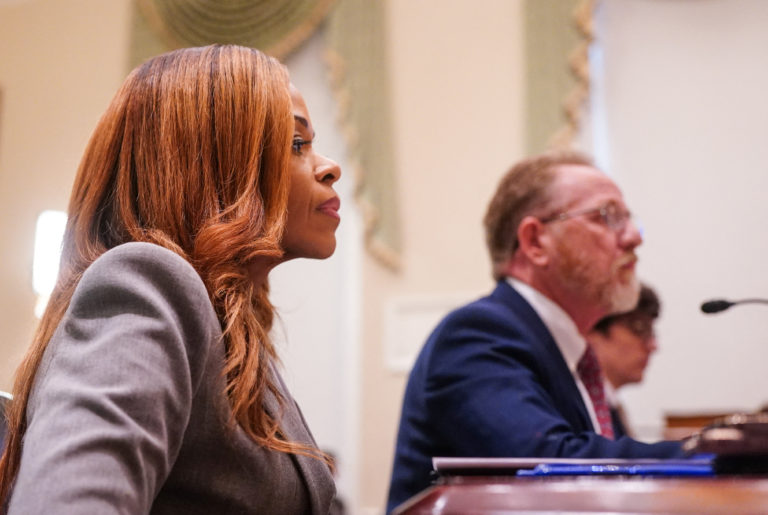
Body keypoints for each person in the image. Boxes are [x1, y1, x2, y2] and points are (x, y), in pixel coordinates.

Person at [0, 44, 342, 514]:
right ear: (217, 168)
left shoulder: (237, 336)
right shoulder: (146, 282)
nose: (330, 167)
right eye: (296, 144)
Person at [386, 151, 684, 512]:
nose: (634, 237)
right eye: (607, 217)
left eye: (630, 219)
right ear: (535, 242)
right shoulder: (477, 334)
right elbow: (550, 467)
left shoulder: (574, 357)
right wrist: (722, 451)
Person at [588, 283, 661, 437]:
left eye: (652, 333)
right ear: (591, 328)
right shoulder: (576, 405)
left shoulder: (611, 408)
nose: (653, 346)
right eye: (640, 328)